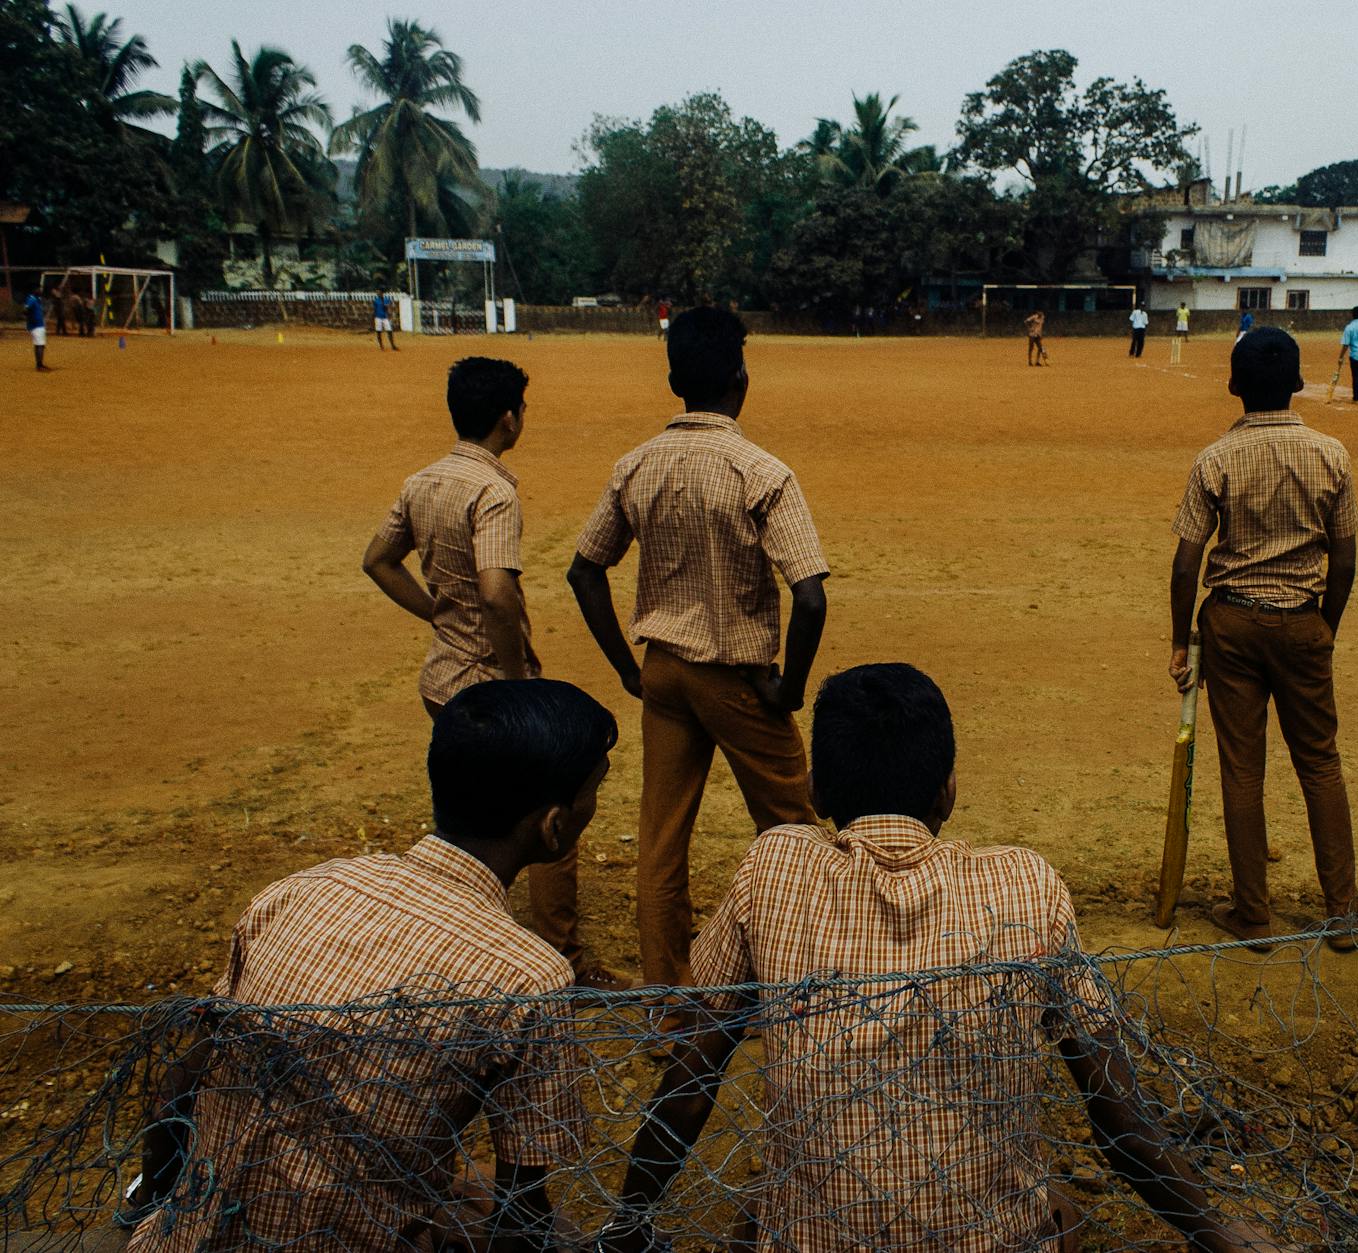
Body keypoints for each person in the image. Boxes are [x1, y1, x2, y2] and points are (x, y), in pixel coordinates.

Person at [597, 664, 1283, 1253]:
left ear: (817, 794)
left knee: (754, 1211)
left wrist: (625, 1228)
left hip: (818, 1234)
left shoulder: (772, 868)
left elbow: (692, 1078)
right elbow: (1119, 1118)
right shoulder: (1025, 884)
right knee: (1063, 1209)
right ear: (947, 789)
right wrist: (1217, 1236)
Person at [124, 679, 616, 1253]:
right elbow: (521, 1211)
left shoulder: (299, 891)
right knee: (543, 1224)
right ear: (553, 826)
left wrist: (152, 1204)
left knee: (458, 1187)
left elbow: (186, 1076)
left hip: (191, 1231)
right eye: (593, 792)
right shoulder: (528, 977)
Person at [567, 306, 829, 1010]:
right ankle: (800, 990)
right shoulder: (762, 472)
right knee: (794, 831)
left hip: (664, 671)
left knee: (660, 841)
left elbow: (583, 569)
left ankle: (668, 1006)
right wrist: (790, 688)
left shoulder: (637, 463)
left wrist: (628, 666)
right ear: (742, 377)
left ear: (674, 380)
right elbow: (809, 596)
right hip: (739, 678)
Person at [362, 358, 620, 994]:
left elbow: (378, 561)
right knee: (550, 813)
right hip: (492, 685)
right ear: (509, 417)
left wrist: (441, 614)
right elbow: (499, 593)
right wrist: (517, 684)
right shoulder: (494, 492)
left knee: (470, 815)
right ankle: (560, 954)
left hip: (442, 679)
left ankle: (454, 935)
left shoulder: (422, 482)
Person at [1167, 327, 1358, 948]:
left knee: (1242, 768)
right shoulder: (1332, 454)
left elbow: (1187, 563)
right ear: (1298, 384)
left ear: (1234, 386)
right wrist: (1325, 626)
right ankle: (1344, 913)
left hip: (1231, 622)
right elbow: (1344, 559)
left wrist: (1181, 643)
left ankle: (1254, 914)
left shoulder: (1215, 458)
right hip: (1303, 619)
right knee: (1320, 761)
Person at [24, 286, 48, 371]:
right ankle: (39, 365)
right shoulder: (32, 299)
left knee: (38, 345)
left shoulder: (36, 299)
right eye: (39, 289)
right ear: (34, 290)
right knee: (40, 345)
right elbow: (26, 310)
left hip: (37, 325)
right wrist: (32, 319)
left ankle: (39, 364)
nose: (41, 291)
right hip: (37, 326)